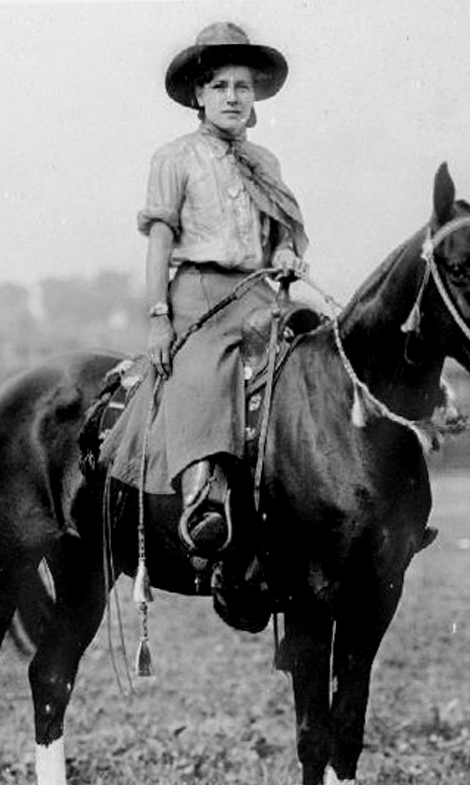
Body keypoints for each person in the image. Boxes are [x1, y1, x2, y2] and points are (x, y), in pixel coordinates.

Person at [108, 21, 308, 562]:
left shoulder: (266, 163)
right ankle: (204, 501)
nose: (232, 97)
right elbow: (159, 243)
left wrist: (286, 254)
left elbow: (281, 234)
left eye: (243, 87)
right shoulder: (175, 158)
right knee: (207, 371)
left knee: (316, 359)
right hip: (198, 295)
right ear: (199, 95)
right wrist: (157, 317)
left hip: (262, 293)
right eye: (220, 86)